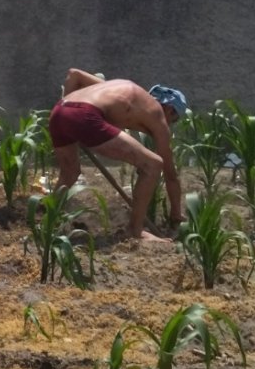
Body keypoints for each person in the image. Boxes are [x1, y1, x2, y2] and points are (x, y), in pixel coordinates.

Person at [50, 68, 186, 242]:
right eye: (173, 120)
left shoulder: (117, 88)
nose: (169, 125)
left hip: (60, 111)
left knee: (70, 173)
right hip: (85, 115)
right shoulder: (157, 113)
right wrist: (176, 213)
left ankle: (49, 220)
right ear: (169, 109)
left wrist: (70, 116)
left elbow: (74, 74)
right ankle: (135, 231)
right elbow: (170, 175)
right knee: (153, 165)